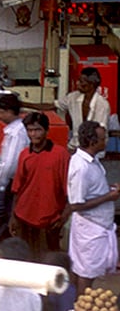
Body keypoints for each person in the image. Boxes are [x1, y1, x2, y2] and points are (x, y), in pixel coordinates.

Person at [66, 120, 119, 292]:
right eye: (103, 139)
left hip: (97, 225)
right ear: (92, 142)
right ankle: (81, 305)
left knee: (86, 269)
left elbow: (92, 191)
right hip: (90, 227)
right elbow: (76, 204)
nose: (106, 142)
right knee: (85, 272)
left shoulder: (92, 161)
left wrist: (108, 191)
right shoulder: (81, 168)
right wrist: (108, 197)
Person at [10, 111, 70, 256]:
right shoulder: (24, 154)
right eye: (30, 130)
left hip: (51, 219)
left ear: (46, 130)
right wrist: (13, 216)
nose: (34, 134)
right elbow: (18, 187)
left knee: (50, 260)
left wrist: (64, 216)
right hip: (24, 216)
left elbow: (69, 188)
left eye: (38, 130)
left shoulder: (61, 154)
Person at [0, 93, 27, 248]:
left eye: (0, 112)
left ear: (10, 112)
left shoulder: (17, 133)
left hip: (8, 184)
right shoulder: (13, 130)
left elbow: (10, 164)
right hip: (7, 183)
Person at [55, 67, 111, 149]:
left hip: (94, 149)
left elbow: (100, 132)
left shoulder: (102, 104)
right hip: (74, 146)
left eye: (81, 81)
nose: (77, 83)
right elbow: (54, 104)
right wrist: (29, 104)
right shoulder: (73, 97)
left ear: (91, 84)